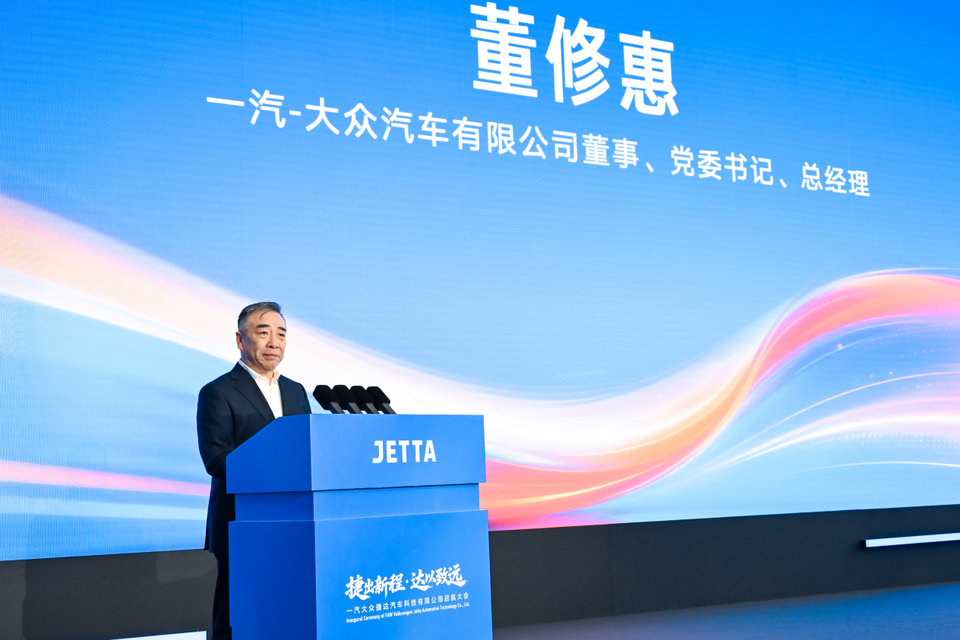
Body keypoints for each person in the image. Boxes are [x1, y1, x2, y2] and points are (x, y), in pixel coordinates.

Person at [196, 302, 312, 640]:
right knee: (235, 616)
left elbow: (309, 450)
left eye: (281, 334)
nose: (274, 342)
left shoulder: (295, 390)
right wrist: (275, 469)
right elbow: (217, 459)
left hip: (296, 521)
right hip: (241, 521)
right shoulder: (218, 391)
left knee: (286, 613)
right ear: (240, 339)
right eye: (263, 333)